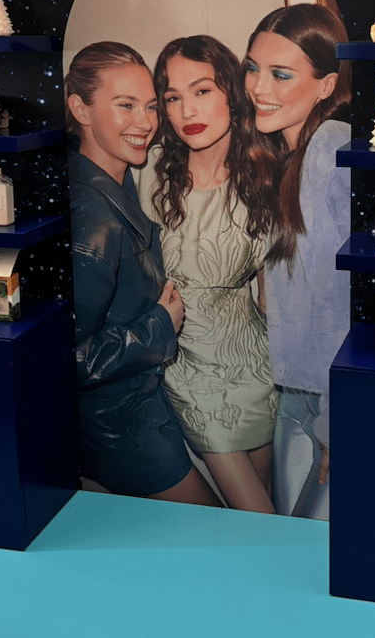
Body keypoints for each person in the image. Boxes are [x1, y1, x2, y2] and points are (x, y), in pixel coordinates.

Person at [65, 40, 220, 506]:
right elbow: (67, 358)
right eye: (126, 105)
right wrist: (159, 325)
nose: (145, 123)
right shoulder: (93, 220)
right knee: (216, 534)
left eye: (151, 106)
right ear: (81, 109)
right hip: (119, 426)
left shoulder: (118, 178)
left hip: (143, 404)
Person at [138, 35, 278, 513]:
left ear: (231, 93)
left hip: (254, 366)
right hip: (187, 368)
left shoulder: (267, 176)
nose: (186, 111)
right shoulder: (152, 170)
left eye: (201, 91)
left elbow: (272, 294)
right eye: (172, 97)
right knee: (259, 517)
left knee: (261, 515)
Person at [242, 3, 352, 520]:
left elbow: (341, 302)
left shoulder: (329, 147)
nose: (258, 87)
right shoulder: (289, 155)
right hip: (296, 392)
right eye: (253, 68)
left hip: (332, 400)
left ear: (326, 85)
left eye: (281, 74)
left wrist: (335, 423)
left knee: (310, 550)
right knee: (289, 546)